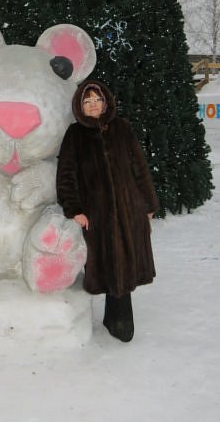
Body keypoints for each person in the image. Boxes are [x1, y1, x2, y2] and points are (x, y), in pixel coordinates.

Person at [56, 80, 158, 342]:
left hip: (129, 208)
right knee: (109, 261)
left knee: (126, 260)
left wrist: (147, 203)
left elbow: (139, 166)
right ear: (80, 106)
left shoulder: (122, 128)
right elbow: (66, 176)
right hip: (97, 213)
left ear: (105, 101)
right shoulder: (75, 135)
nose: (93, 105)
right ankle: (119, 320)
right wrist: (75, 209)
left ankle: (120, 320)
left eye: (96, 99)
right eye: (86, 101)